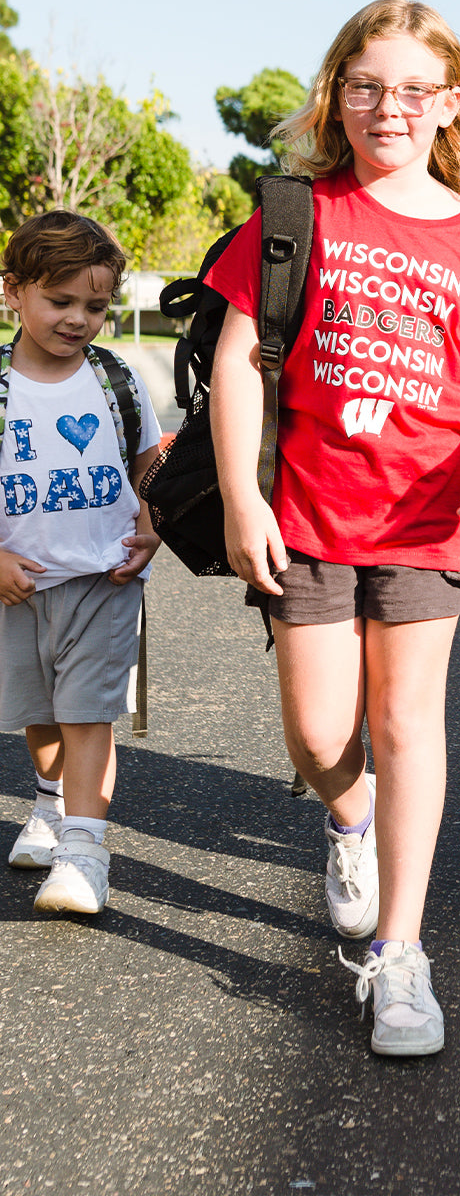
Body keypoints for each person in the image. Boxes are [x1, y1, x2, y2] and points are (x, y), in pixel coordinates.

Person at [207, 0, 460, 1056]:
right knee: (319, 734)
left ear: (448, 104)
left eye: (411, 88)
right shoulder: (293, 212)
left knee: (408, 724)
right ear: (335, 96)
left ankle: (400, 955)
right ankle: (349, 819)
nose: (386, 106)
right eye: (365, 85)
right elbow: (233, 362)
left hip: (430, 515)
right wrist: (239, 497)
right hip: (307, 509)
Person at [1, 211, 162, 913]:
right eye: (60, 301)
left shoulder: (114, 378)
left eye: (95, 306)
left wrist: (153, 524)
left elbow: (149, 460)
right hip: (19, 584)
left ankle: (85, 853)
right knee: (41, 712)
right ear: (14, 291)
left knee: (88, 711)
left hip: (105, 576)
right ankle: (49, 801)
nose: (78, 320)